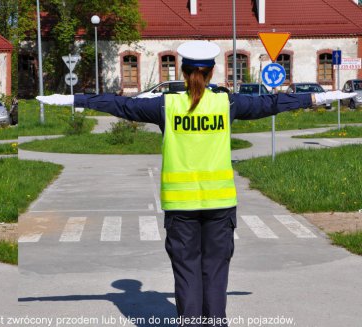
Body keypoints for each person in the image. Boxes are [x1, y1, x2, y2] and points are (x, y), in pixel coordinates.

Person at [36, 40, 355, 327]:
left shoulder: (166, 105)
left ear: (183, 71)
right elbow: (270, 104)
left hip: (181, 207)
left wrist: (73, 99)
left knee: (187, 272)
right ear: (213, 71)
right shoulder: (226, 104)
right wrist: (319, 96)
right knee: (216, 273)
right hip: (220, 206)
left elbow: (120, 105)